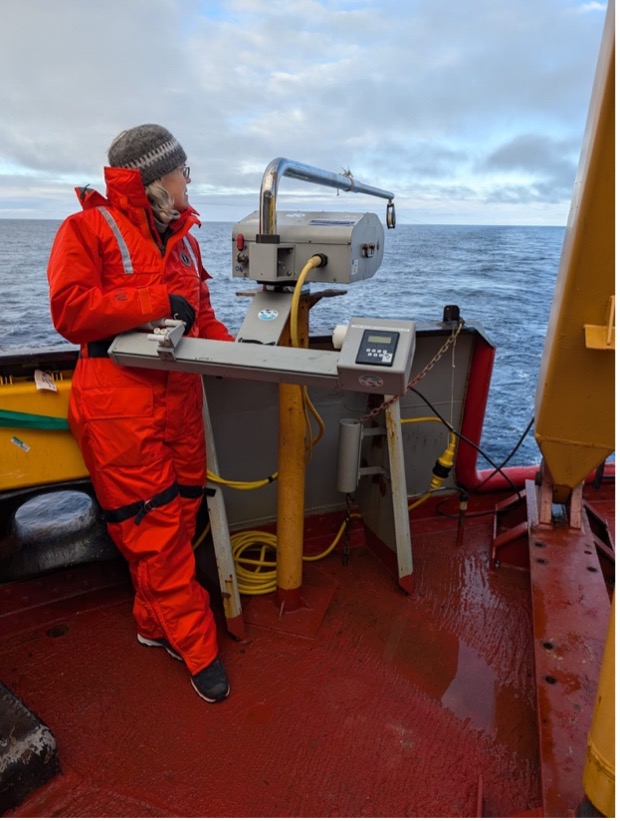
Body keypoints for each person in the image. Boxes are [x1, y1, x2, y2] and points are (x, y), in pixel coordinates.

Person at [47, 124, 234, 703]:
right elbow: (70, 310)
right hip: (119, 411)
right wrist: (155, 301)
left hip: (179, 403)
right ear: (156, 178)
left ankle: (154, 626)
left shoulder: (187, 240)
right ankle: (200, 650)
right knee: (155, 538)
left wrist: (247, 357)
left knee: (178, 519)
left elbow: (202, 317)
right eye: (182, 170)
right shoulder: (86, 229)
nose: (189, 179)